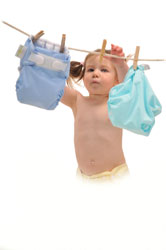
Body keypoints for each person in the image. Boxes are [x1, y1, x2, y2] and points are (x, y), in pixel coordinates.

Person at [60, 44, 130, 182]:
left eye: (104, 70)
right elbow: (54, 87)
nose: (95, 73)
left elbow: (128, 87)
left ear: (117, 80)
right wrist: (47, 61)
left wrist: (121, 65)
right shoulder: (77, 100)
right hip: (83, 177)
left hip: (114, 177)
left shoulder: (116, 103)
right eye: (90, 69)